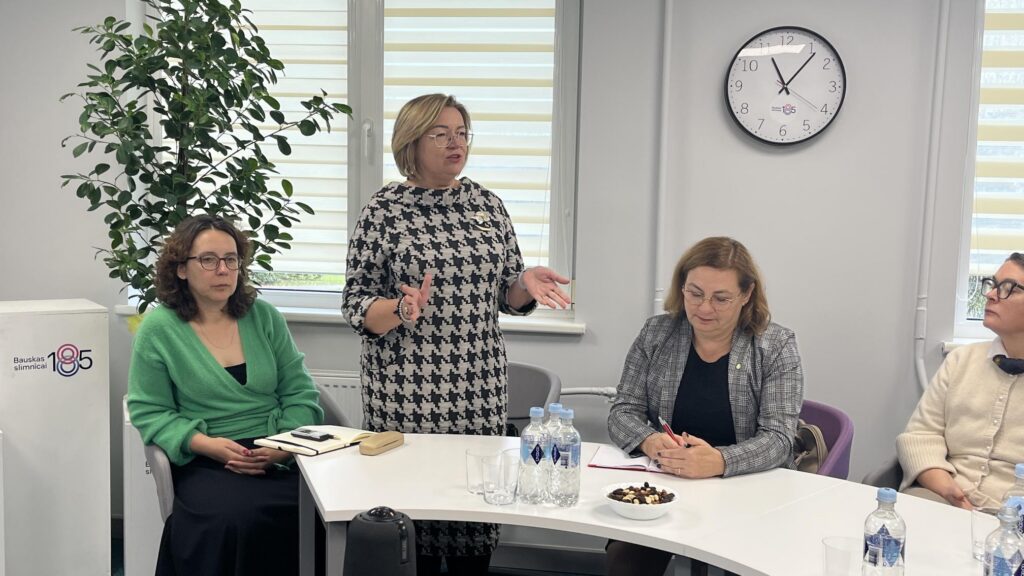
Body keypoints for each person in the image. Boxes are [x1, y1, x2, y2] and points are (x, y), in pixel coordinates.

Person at [341, 93, 571, 576]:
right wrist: (401, 308)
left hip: (477, 387)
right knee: (414, 523)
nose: (456, 143)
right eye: (441, 134)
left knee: (474, 516)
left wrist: (524, 283)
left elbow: (507, 294)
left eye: (462, 133)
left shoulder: (487, 205)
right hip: (407, 391)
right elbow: (356, 303)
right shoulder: (383, 210)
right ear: (412, 141)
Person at [127, 214, 324, 576]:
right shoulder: (159, 329)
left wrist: (283, 446)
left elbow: (299, 392)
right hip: (208, 458)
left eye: (231, 259)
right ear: (181, 269)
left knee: (329, 508)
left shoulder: (264, 317)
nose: (223, 270)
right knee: (235, 519)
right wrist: (208, 445)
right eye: (208, 259)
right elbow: (150, 411)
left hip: (279, 451)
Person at [605, 236, 804, 576]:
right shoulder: (657, 333)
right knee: (625, 562)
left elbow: (779, 438)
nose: (704, 308)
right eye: (695, 293)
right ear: (681, 287)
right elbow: (623, 410)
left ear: (746, 294)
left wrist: (720, 461)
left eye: (721, 298)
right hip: (669, 481)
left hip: (749, 487)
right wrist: (651, 441)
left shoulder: (775, 345)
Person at [897, 252, 1024, 509]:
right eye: (993, 284)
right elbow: (920, 436)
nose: (991, 295)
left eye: (1008, 288)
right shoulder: (961, 360)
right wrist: (950, 492)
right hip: (945, 497)